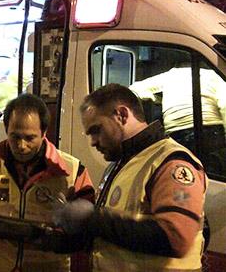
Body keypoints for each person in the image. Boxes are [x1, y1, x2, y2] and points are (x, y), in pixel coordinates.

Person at [55, 84, 207, 271]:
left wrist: (93, 219)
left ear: (121, 115)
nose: (93, 141)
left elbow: (174, 237)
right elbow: (115, 236)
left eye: (96, 130)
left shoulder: (171, 162)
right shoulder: (120, 164)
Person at [0, 94, 94, 271]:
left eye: (30, 138)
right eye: (14, 137)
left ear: (44, 133)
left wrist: (58, 239)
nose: (21, 145)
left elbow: (88, 229)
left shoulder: (72, 171)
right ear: (6, 130)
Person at [129, 65, 226, 167]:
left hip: (176, 135)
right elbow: (224, 105)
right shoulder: (213, 75)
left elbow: (133, 89)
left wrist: (156, 99)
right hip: (209, 131)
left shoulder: (168, 76)